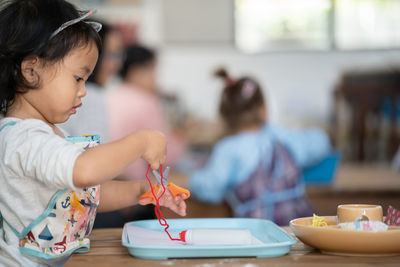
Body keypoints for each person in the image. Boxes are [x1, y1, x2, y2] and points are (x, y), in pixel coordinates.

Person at [0, 1, 186, 266]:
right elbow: (84, 171)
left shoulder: (47, 133)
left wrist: (143, 190)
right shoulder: (22, 139)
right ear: (31, 70)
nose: (83, 91)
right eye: (78, 78)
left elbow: (82, 195)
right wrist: (140, 140)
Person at [189, 69, 331, 226]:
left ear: (223, 117)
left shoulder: (228, 149)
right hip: (301, 232)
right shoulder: (280, 136)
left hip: (257, 236)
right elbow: (321, 142)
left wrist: (194, 179)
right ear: (263, 110)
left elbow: (210, 190)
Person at [108, 44, 185, 181]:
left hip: (108, 179)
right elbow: (168, 155)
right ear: (136, 72)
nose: (156, 78)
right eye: (153, 71)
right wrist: (184, 138)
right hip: (134, 185)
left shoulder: (110, 96)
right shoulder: (146, 102)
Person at [60, 19, 124, 143]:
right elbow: (92, 150)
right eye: (110, 55)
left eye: (118, 55)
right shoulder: (91, 95)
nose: (117, 64)